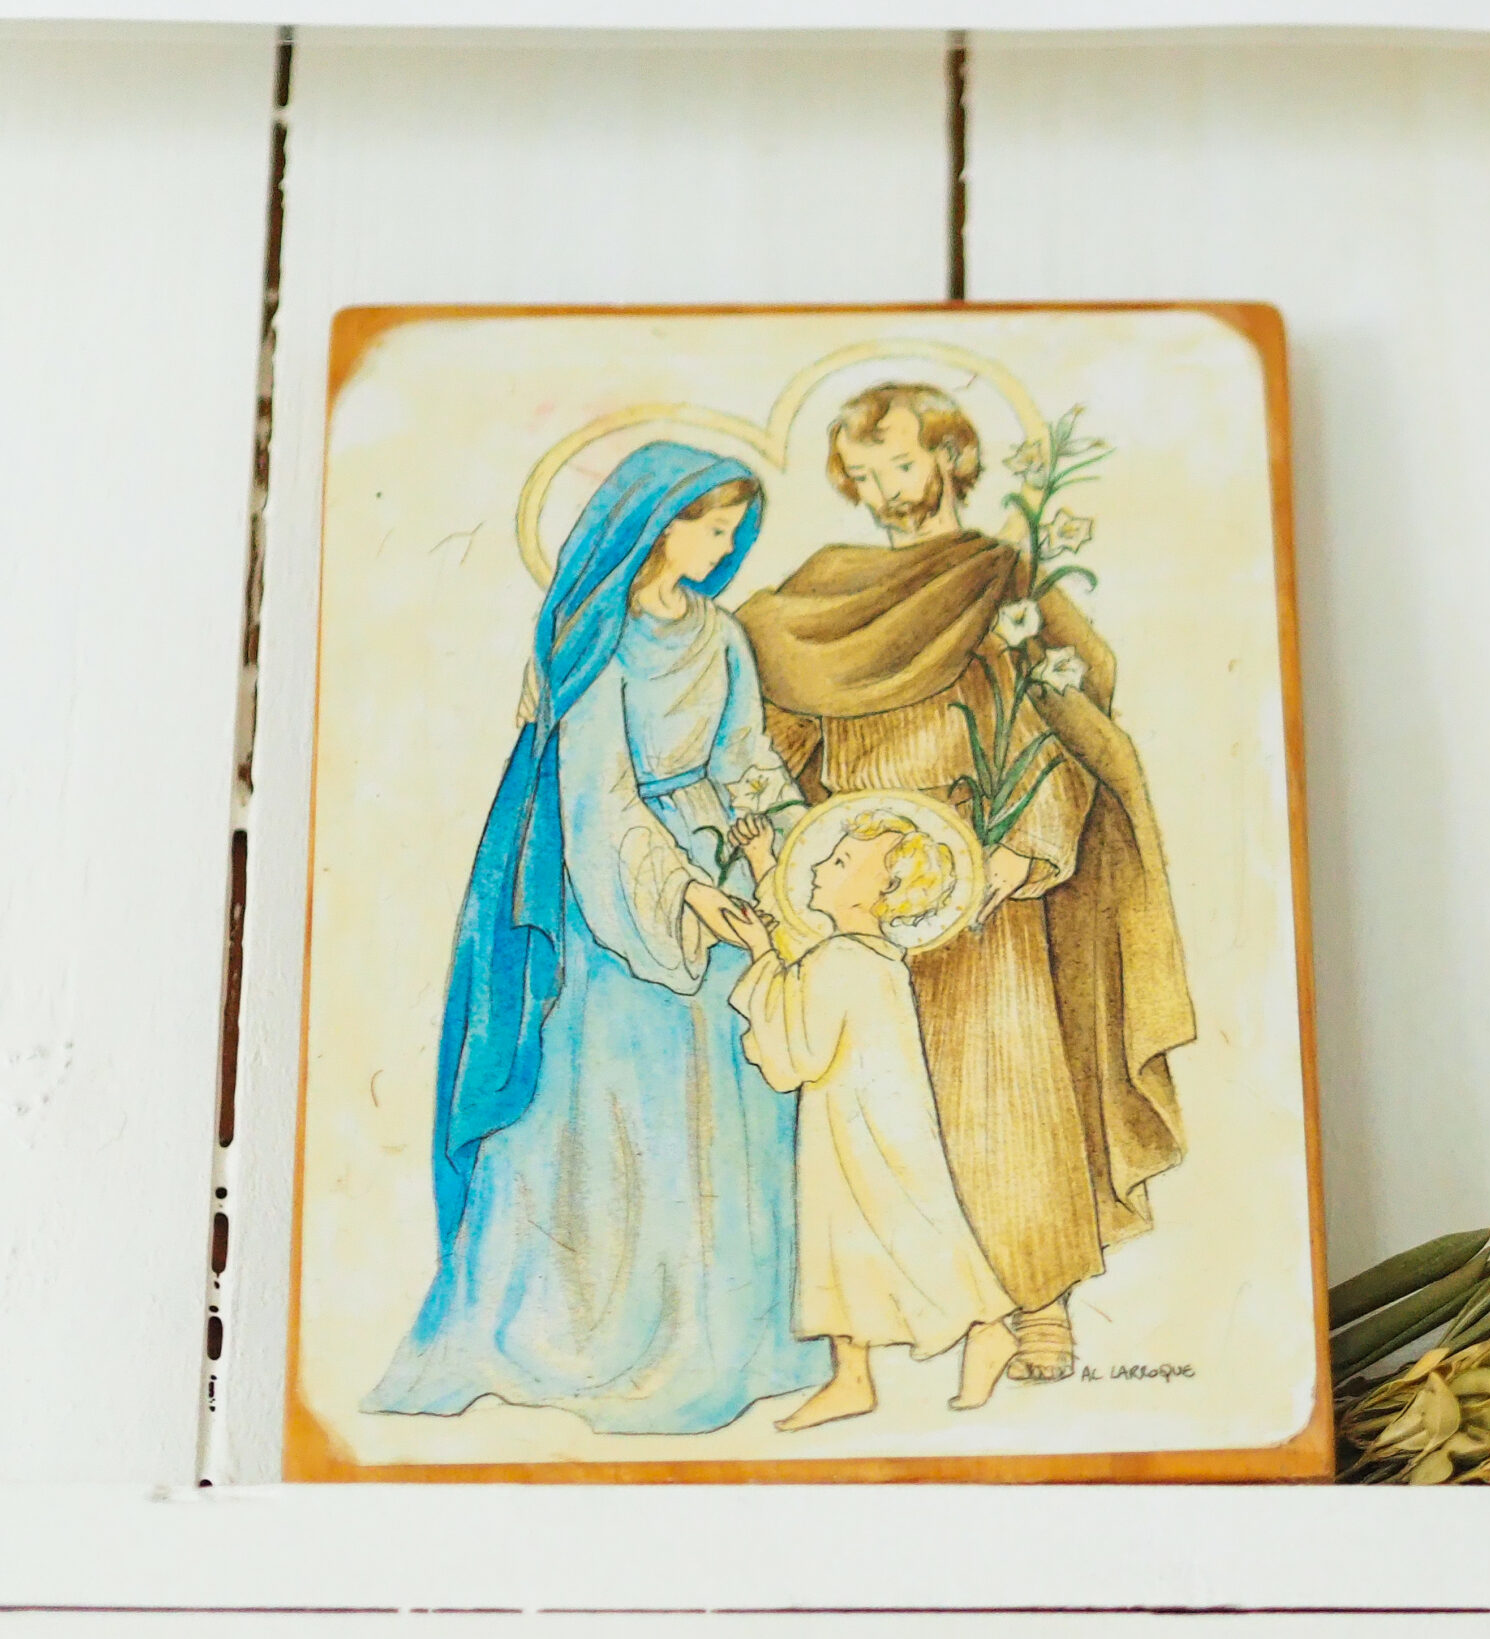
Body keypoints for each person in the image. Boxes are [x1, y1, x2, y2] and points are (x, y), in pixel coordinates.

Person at [363, 441, 827, 1434]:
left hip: (717, 871)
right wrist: (689, 893)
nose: (726, 546)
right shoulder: (599, 641)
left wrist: (790, 848)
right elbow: (599, 794)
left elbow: (746, 757)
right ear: (657, 525)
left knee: (732, 1100)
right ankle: (590, 1328)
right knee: (619, 1107)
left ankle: (730, 1329)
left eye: (732, 529)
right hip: (620, 892)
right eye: (711, 527)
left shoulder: (722, 634)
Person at [738, 382, 1196, 1385]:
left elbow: (1060, 731)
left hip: (983, 885)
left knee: (1008, 1098)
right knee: (872, 1120)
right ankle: (900, 1325)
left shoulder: (1001, 586)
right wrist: (787, 838)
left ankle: (1039, 1310)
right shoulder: (821, 593)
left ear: (950, 457)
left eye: (900, 464)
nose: (883, 492)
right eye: (863, 475)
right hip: (860, 888)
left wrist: (1022, 852)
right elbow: (779, 729)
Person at [727, 800, 1019, 1427]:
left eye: (839, 863)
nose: (817, 868)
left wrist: (757, 953)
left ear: (881, 891)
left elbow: (799, 1049)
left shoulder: (841, 959)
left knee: (894, 1233)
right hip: (850, 1124)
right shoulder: (862, 952)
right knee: (846, 1238)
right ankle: (854, 1376)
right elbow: (797, 945)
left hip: (863, 1131)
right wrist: (761, 860)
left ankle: (988, 1327)